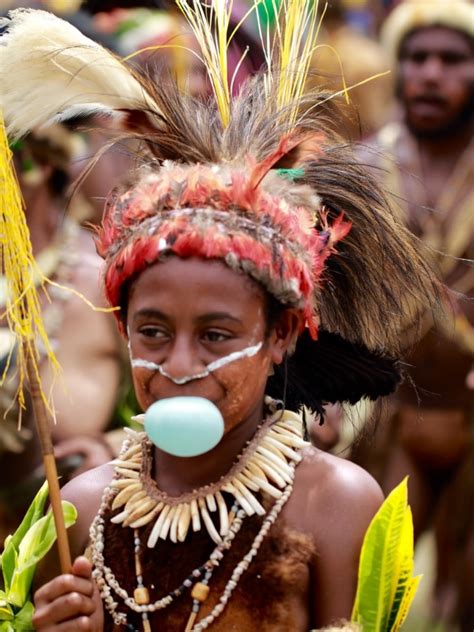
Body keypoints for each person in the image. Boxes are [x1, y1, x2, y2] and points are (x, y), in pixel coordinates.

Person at [0, 5, 438, 630]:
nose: (179, 366)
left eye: (214, 335)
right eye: (152, 331)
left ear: (281, 335)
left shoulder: (335, 505)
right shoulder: (82, 512)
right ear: (121, 329)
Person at [352, 0, 474, 627]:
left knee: (464, 603)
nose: (431, 73)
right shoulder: (366, 170)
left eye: (453, 60)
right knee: (376, 595)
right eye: (416, 58)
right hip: (392, 417)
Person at [0, 124, 124, 539]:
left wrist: (116, 447)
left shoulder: (102, 282)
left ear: (34, 165)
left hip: (74, 561)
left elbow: (197, 394)